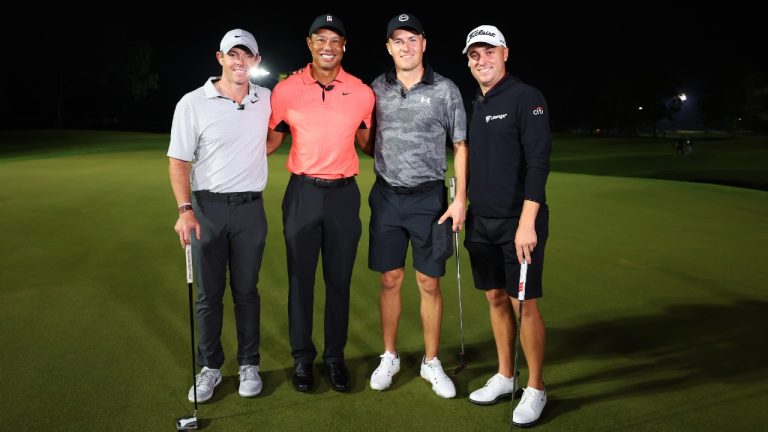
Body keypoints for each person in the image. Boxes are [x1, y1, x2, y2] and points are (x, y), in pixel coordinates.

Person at [266, 14, 375, 393]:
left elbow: (368, 144)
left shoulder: (362, 92)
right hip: (303, 194)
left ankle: (334, 359)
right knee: (300, 282)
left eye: (336, 40)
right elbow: (270, 141)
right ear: (309, 43)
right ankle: (302, 360)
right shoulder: (286, 90)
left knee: (339, 282)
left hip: (344, 195)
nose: (328, 46)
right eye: (320, 39)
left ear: (344, 46)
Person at [367, 13, 467, 399]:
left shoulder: (446, 90)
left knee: (429, 281)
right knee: (390, 279)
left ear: (424, 43)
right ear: (389, 47)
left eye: (412, 39)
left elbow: (460, 144)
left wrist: (460, 199)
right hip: (387, 195)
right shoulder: (377, 87)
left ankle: (430, 361)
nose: (405, 46)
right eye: (397, 40)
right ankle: (389, 355)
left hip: (430, 198)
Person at [168, 29, 271, 403]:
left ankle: (249, 363)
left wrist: (252, 156)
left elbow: (272, 138)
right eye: (233, 55)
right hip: (206, 209)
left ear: (256, 61)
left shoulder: (266, 99)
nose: (240, 61)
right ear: (220, 58)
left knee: (247, 292)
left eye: (247, 55)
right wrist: (184, 210)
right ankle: (210, 367)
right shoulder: (193, 103)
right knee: (209, 296)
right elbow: (178, 160)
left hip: (250, 209)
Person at [461, 25, 551, 426]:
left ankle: (535, 388)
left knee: (523, 304)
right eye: (474, 55)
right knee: (495, 298)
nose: (482, 60)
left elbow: (538, 163)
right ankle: (505, 375)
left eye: (489, 52)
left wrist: (527, 222)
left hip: (520, 223)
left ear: (505, 53)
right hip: (482, 221)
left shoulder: (526, 97)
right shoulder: (475, 103)